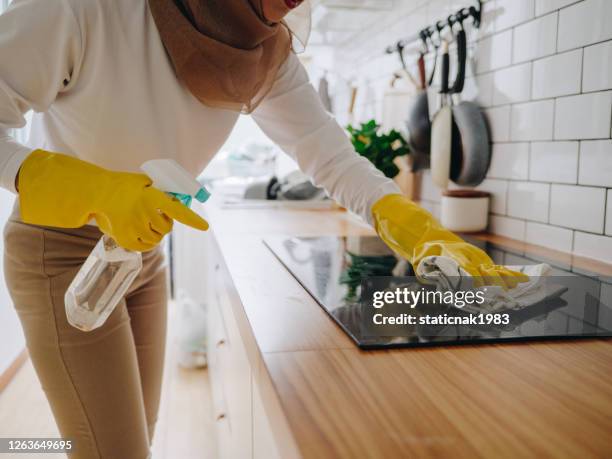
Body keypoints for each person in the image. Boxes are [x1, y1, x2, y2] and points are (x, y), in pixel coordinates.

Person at [0, 0, 526, 457]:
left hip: (141, 252)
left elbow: (332, 158)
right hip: (60, 253)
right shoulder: (81, 9)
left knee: (137, 434)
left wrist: (412, 224)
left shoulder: (264, 50)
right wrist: (86, 188)